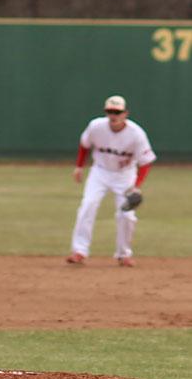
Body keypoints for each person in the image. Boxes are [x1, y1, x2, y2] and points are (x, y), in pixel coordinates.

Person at [66, 95, 156, 267]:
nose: (113, 115)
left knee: (127, 215)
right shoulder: (96, 126)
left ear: (125, 113)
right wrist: (79, 166)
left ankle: (123, 254)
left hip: (125, 176)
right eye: (110, 111)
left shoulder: (136, 134)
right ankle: (79, 251)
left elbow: (146, 162)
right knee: (87, 205)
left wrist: (136, 187)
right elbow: (84, 144)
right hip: (99, 172)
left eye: (117, 112)